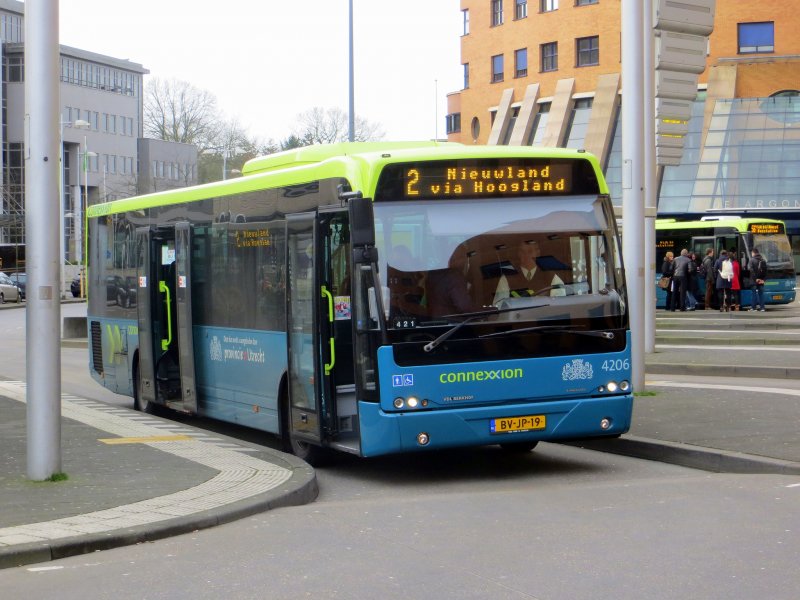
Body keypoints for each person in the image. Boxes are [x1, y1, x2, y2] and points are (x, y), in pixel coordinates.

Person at [493, 240, 565, 304]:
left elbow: (559, 305)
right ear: (518, 253)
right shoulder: (508, 277)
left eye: (530, 251)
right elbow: (499, 305)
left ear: (538, 253)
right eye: (522, 251)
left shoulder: (550, 276)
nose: (526, 255)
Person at [427, 244, 479, 316]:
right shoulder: (454, 276)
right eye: (462, 257)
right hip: (454, 324)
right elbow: (465, 307)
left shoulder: (432, 274)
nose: (465, 261)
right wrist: (490, 310)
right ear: (452, 258)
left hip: (435, 323)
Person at [748, 247, 767, 312]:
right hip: (761, 280)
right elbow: (765, 271)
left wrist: (756, 279)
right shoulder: (763, 260)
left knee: (754, 294)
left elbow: (751, 271)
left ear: (753, 253)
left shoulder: (751, 260)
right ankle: (762, 308)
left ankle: (753, 308)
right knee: (761, 294)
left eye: (752, 253)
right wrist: (763, 280)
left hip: (754, 281)